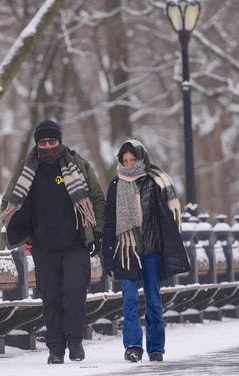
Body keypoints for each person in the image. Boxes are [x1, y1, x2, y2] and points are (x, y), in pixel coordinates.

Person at [0, 120, 105, 365]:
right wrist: (24, 237)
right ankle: (55, 348)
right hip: (43, 245)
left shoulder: (77, 165)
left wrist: (96, 233)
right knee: (51, 298)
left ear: (60, 141)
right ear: (37, 143)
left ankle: (75, 341)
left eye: (52, 141)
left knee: (74, 293)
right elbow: (9, 203)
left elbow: (97, 198)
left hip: (75, 243)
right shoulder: (27, 169)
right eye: (43, 142)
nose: (47, 146)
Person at [101, 139, 190, 363]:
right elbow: (109, 221)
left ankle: (156, 348)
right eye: (125, 160)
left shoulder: (154, 182)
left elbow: (166, 219)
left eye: (133, 160)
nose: (129, 165)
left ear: (142, 159)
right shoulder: (115, 185)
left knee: (153, 300)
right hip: (126, 250)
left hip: (152, 250)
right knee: (129, 300)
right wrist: (107, 252)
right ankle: (132, 346)